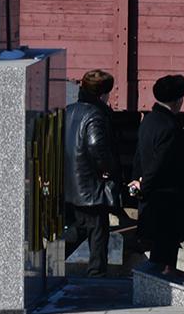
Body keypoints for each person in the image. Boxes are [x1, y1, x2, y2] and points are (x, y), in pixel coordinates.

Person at [131, 74, 184, 275]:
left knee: (161, 248)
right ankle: (160, 285)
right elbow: (161, 164)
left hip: (152, 196)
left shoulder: (149, 120)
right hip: (167, 198)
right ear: (178, 100)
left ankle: (159, 281)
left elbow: (139, 155)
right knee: (165, 251)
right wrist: (147, 186)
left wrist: (137, 181)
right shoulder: (170, 126)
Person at [63, 69, 121, 277]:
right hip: (90, 185)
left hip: (71, 183)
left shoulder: (69, 110)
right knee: (98, 231)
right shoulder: (95, 115)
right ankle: (96, 275)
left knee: (79, 227)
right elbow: (97, 147)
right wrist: (107, 170)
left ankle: (49, 259)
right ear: (102, 94)